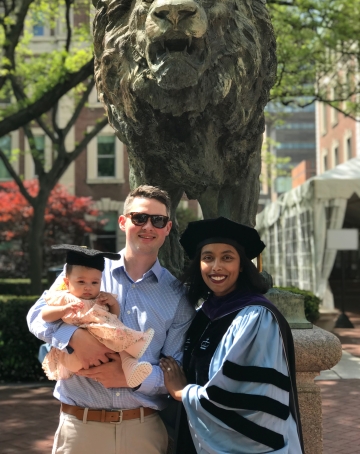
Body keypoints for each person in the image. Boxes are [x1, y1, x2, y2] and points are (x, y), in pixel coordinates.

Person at [27, 185, 194, 454]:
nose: (147, 226)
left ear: (167, 228)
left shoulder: (177, 296)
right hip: (80, 427)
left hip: (142, 430)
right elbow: (36, 316)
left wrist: (131, 377)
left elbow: (176, 370)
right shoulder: (87, 270)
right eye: (139, 217)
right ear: (123, 221)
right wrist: (74, 339)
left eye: (157, 220)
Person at [159, 217, 305, 454]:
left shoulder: (256, 318)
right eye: (208, 258)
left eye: (227, 257)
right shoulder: (203, 314)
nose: (216, 267)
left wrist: (182, 393)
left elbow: (246, 398)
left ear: (241, 265)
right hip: (197, 435)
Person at [41, 245, 155, 388]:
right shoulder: (63, 297)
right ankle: (136, 345)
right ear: (66, 282)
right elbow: (44, 315)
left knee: (121, 344)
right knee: (117, 341)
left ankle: (131, 369)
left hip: (103, 341)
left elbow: (113, 317)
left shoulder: (100, 298)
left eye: (94, 282)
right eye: (81, 282)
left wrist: (113, 303)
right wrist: (64, 310)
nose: (88, 287)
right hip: (74, 354)